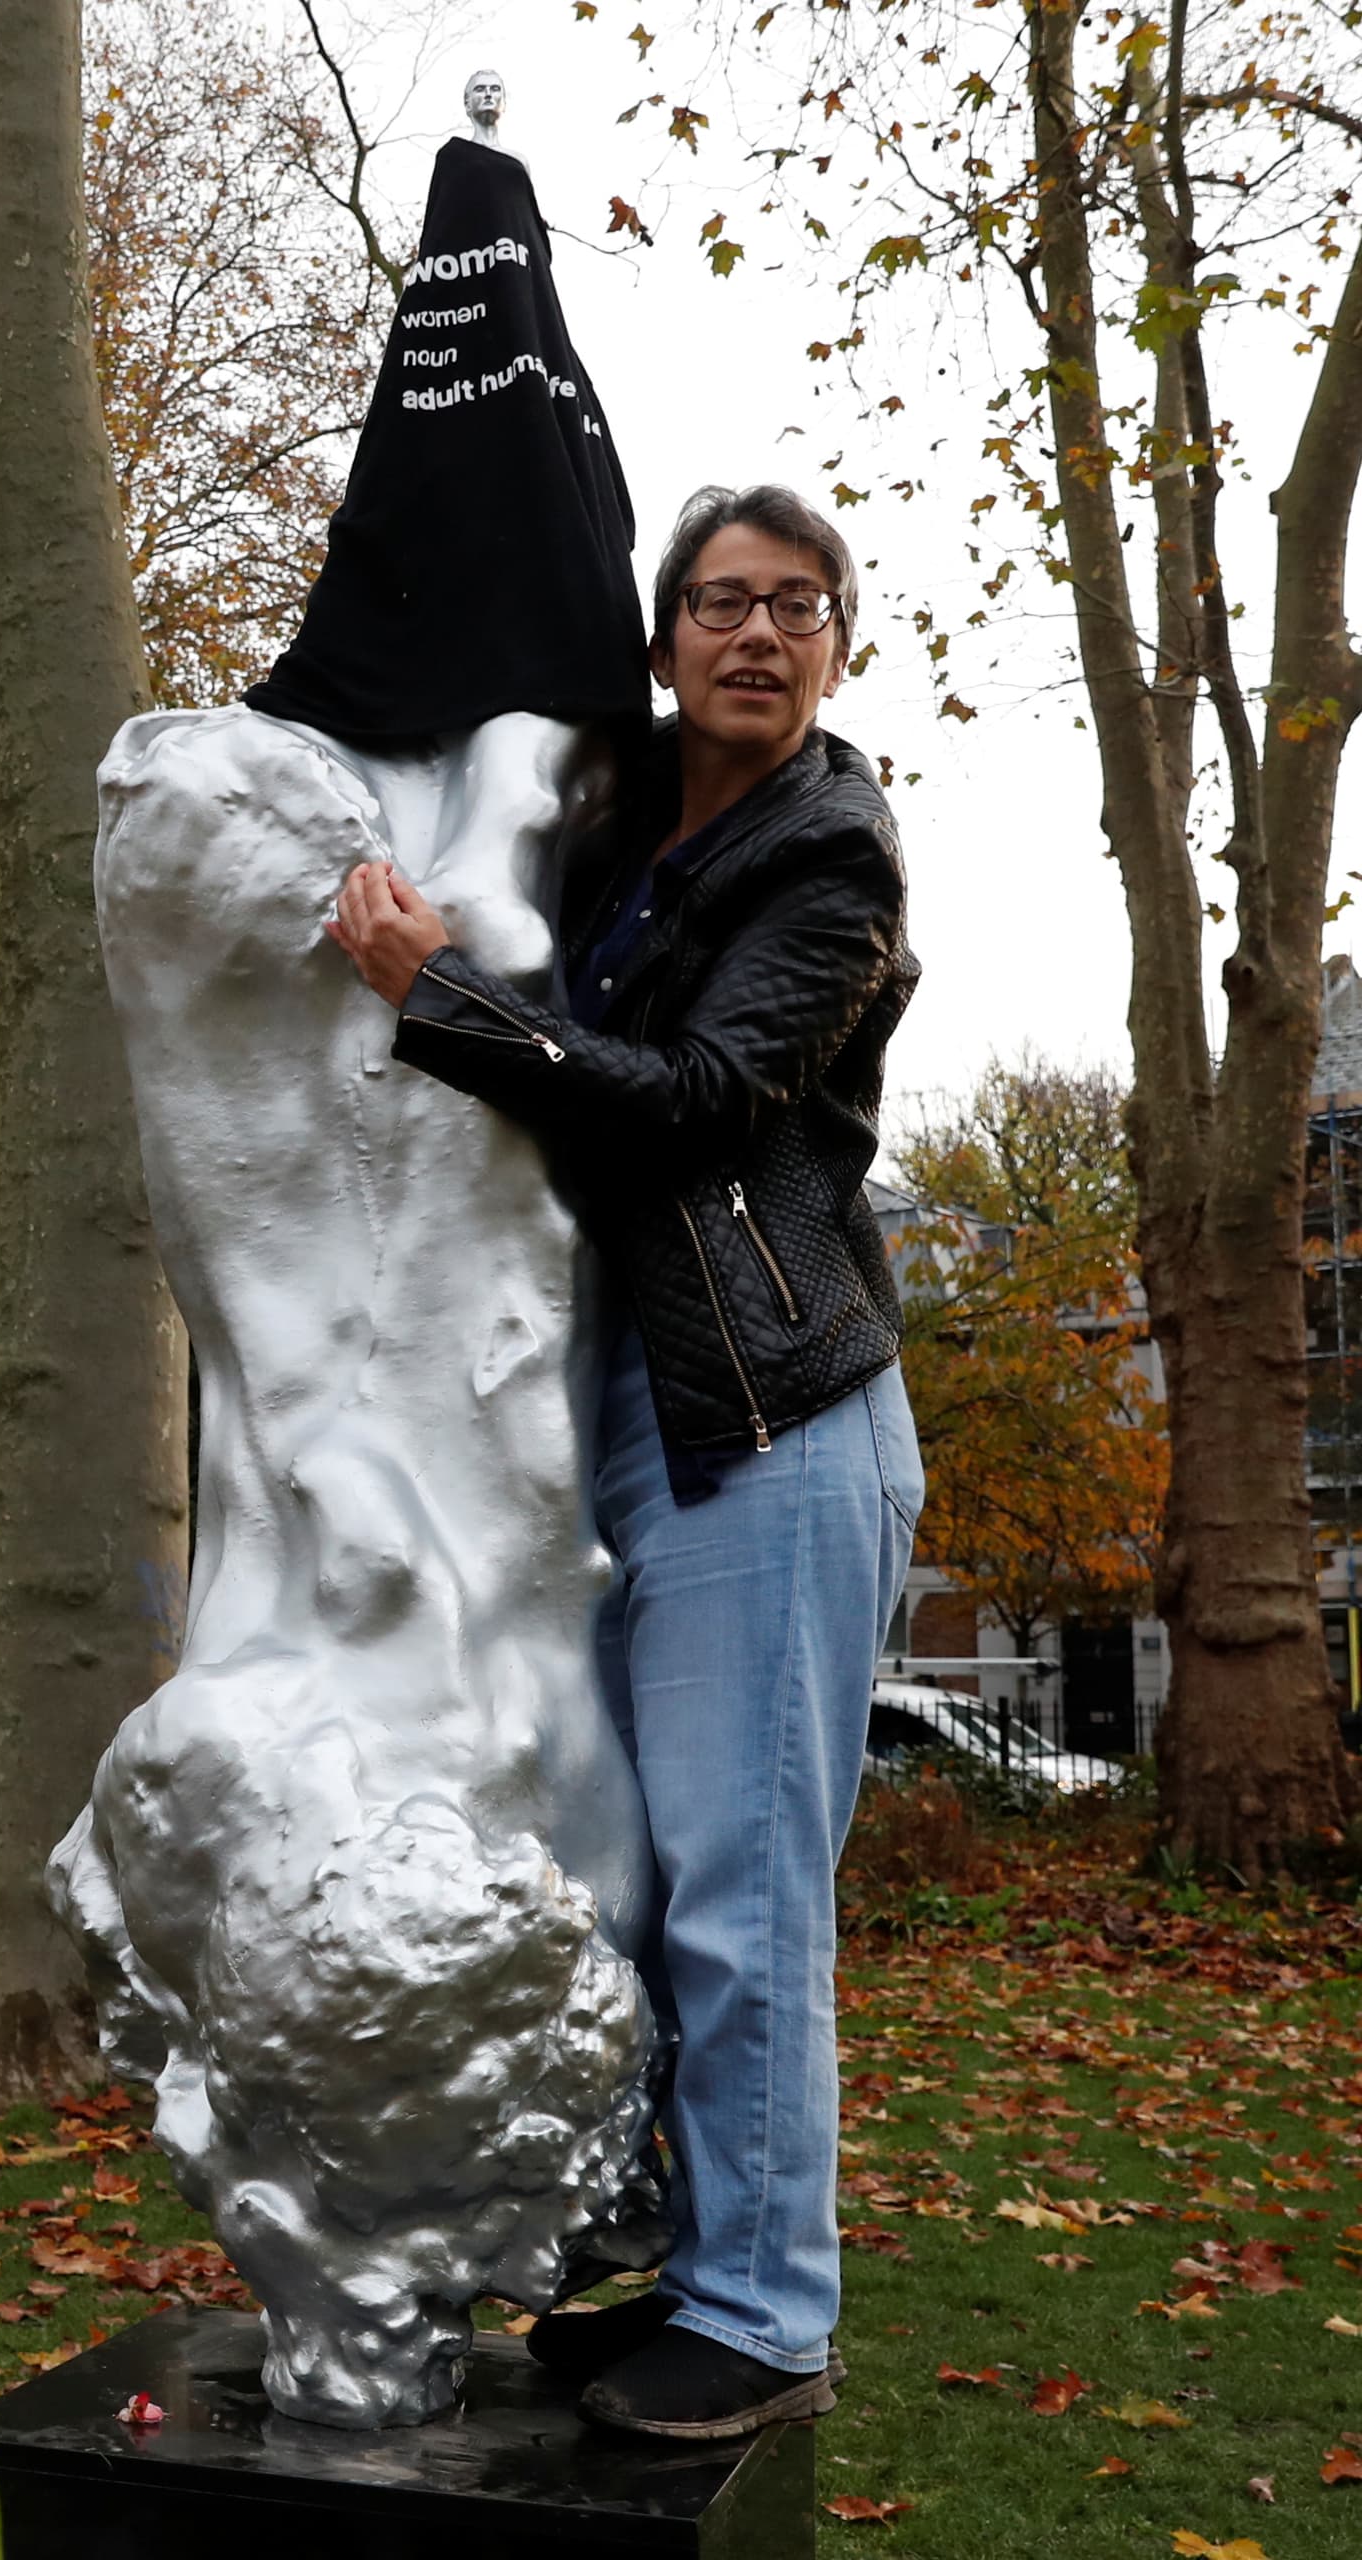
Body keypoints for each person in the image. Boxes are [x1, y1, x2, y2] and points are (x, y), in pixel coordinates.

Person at [325, 484, 924, 2441]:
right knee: (642, 1885)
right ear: (666, 638)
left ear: (836, 644)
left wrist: (442, 998)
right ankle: (682, 2254)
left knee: (748, 1888)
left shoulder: (830, 859)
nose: (759, 632)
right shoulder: (620, 834)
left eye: (798, 605)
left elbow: (687, 1105)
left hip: (773, 1421)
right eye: (722, 602)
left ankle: (764, 2313)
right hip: (637, 1429)